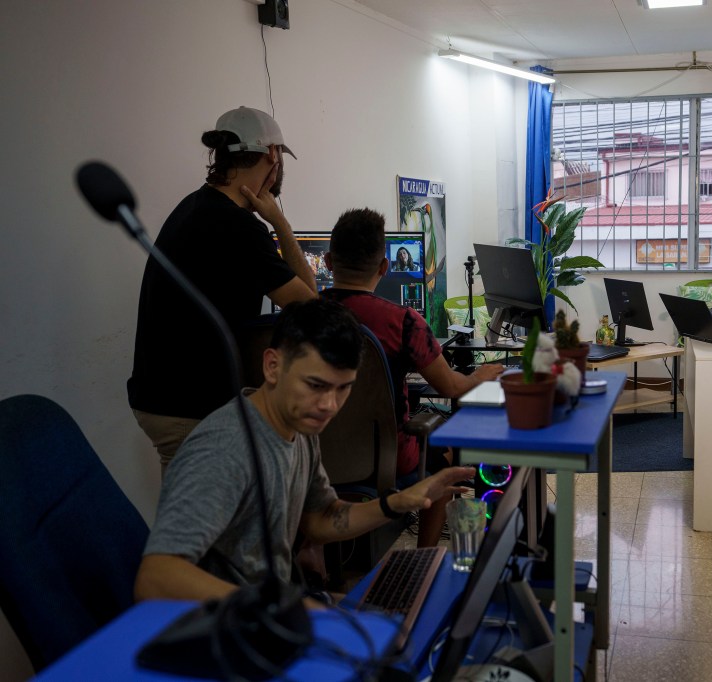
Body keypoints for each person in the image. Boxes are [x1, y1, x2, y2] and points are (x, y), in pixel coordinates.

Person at [135, 299, 473, 603]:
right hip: (226, 632)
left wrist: (396, 502)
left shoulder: (300, 426)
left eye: (343, 389)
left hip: (272, 614)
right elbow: (155, 577)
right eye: (316, 385)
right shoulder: (224, 448)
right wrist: (287, 610)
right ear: (272, 366)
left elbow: (320, 519)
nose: (328, 405)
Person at [128, 107, 318, 472]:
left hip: (161, 398)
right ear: (272, 156)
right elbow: (310, 305)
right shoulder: (238, 227)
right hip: (190, 408)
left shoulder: (194, 206)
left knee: (193, 519)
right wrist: (279, 221)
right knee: (213, 524)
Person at [323, 208, 504, 546]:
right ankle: (424, 555)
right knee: (444, 447)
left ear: (329, 262)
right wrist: (479, 375)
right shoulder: (404, 321)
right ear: (384, 267)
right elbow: (450, 386)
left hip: (313, 452)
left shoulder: (303, 316)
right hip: (389, 457)